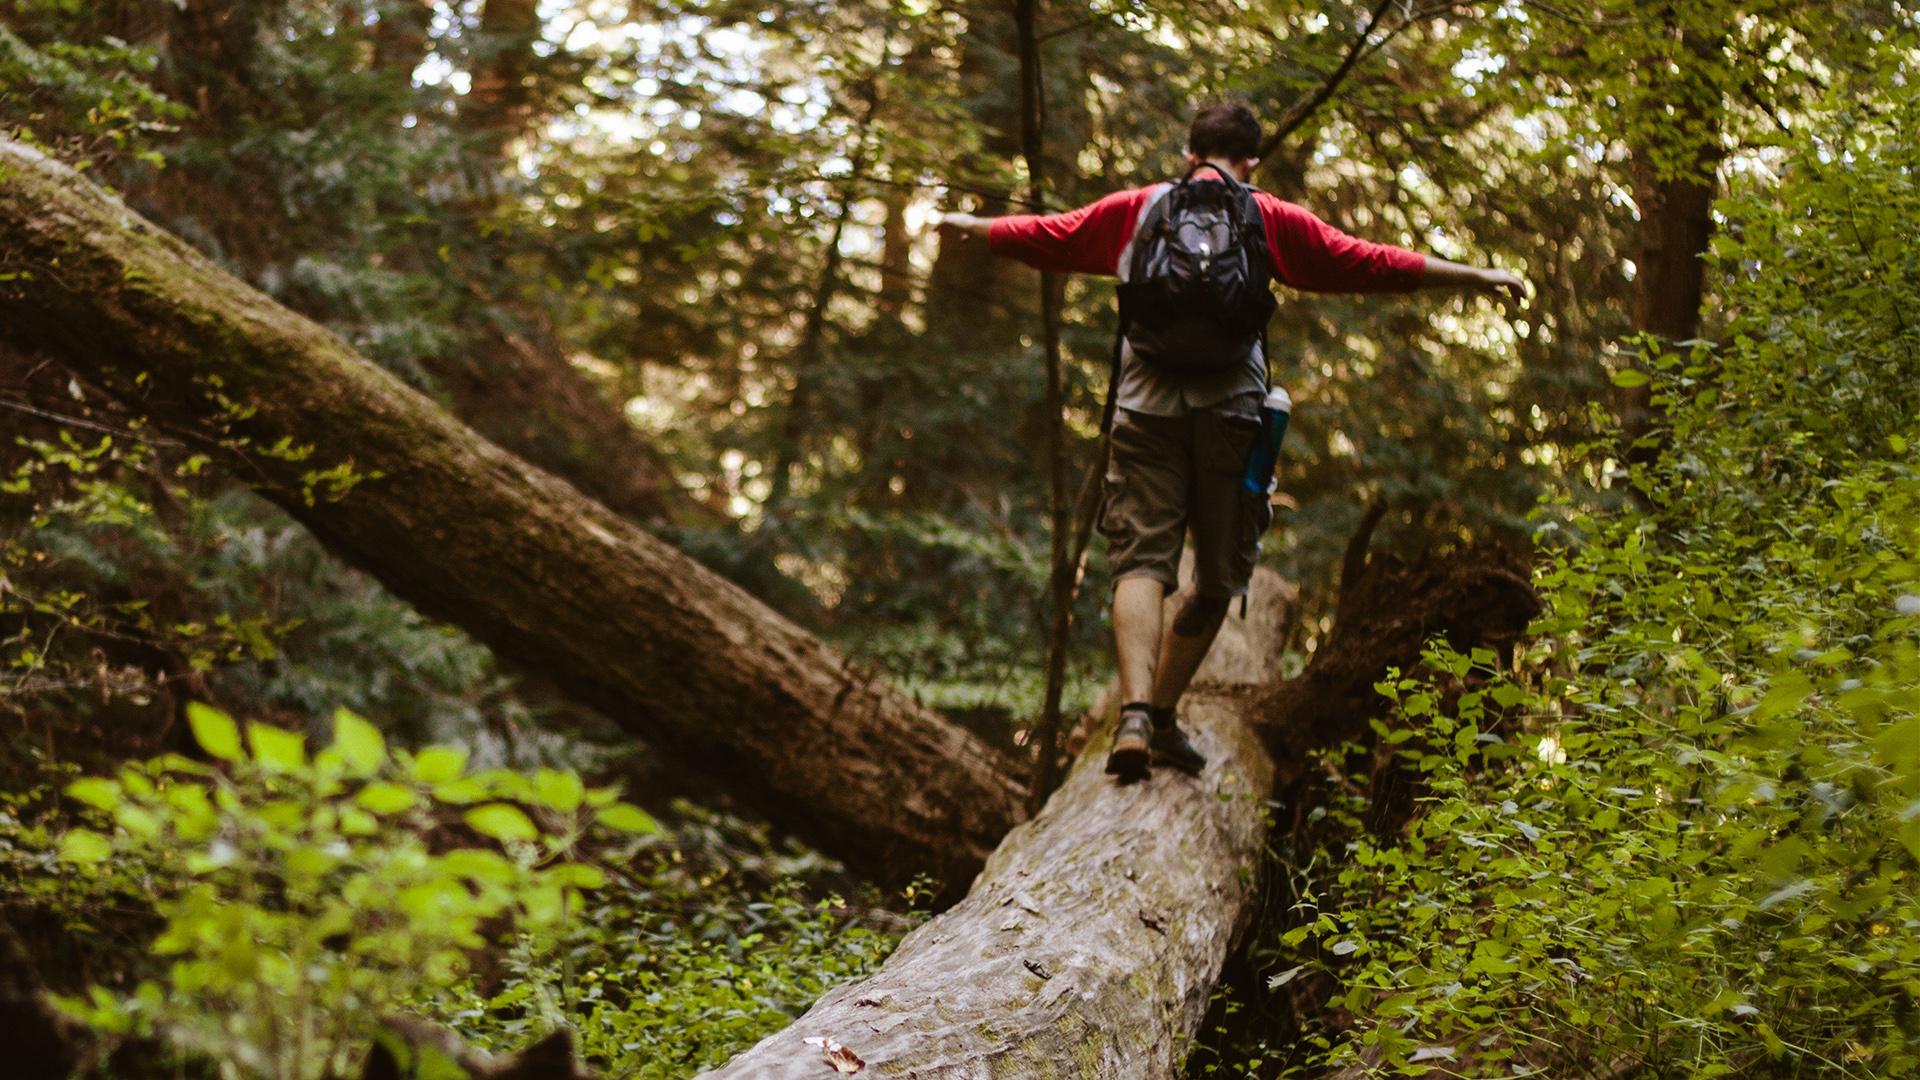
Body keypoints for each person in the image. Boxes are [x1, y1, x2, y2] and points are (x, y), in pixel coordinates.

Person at [941, 102, 1524, 781]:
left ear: (1190, 152)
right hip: (1232, 412)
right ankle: (1160, 717)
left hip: (1143, 405)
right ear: (1251, 160)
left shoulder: (1140, 209)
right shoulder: (1267, 218)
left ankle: (1132, 716)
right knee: (1216, 581)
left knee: (1142, 565)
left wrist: (969, 227)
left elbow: (1048, 234)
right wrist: (1475, 275)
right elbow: (1367, 262)